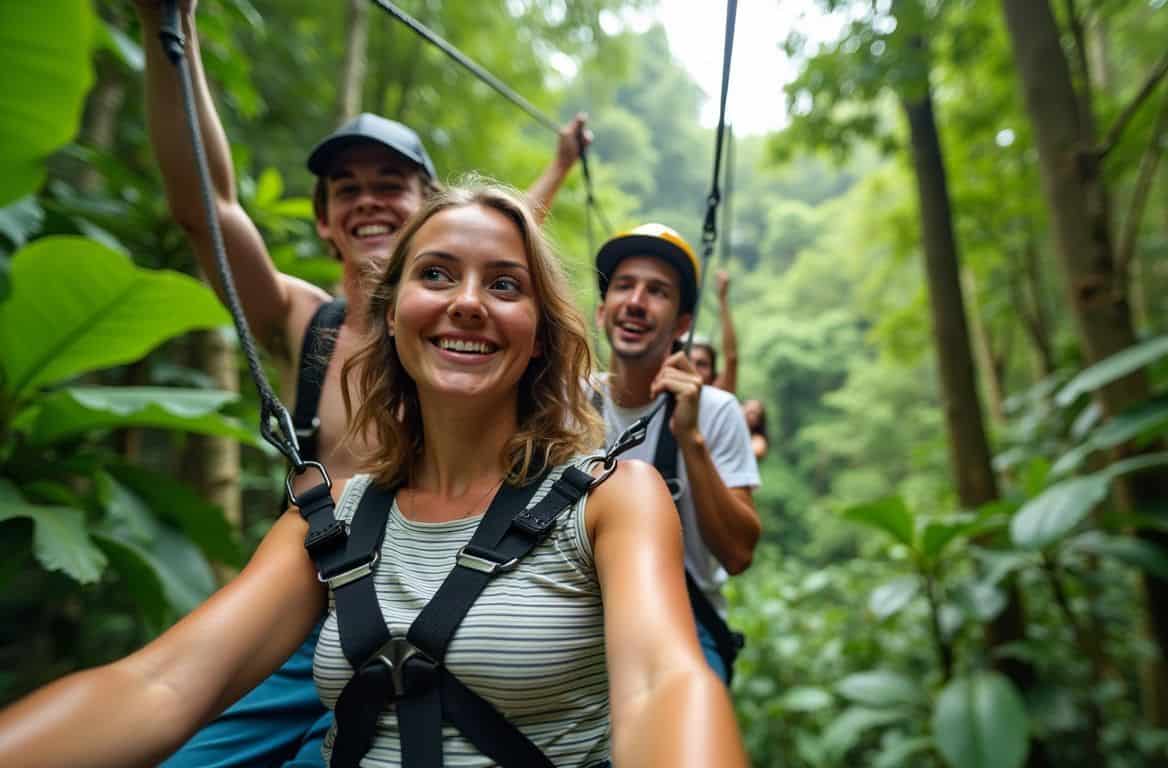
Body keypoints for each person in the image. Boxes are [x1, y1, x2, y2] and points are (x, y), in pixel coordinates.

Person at [0, 184, 748, 768]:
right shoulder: (330, 520)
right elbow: (159, 685)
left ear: (541, 335)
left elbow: (659, 687)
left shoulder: (611, 499)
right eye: (436, 274)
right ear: (391, 316)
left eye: (506, 286)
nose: (466, 302)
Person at [132, 2, 591, 764]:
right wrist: (165, 26)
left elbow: (512, 244)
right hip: (308, 611)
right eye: (346, 189)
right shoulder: (303, 321)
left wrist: (559, 166)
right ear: (324, 222)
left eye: (392, 184)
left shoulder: (466, 334)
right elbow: (204, 210)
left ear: (427, 211)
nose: (369, 200)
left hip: (462, 610)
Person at [591, 224, 762, 684]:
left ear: (682, 325)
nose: (636, 301)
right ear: (601, 312)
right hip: (581, 615)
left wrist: (690, 437)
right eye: (624, 286)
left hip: (683, 621)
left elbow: (739, 554)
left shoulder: (715, 410)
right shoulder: (566, 405)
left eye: (657, 291)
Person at [687, 271, 738, 393]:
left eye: (702, 364)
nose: (693, 369)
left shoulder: (717, 400)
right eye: (688, 361)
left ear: (713, 376)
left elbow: (731, 358)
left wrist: (723, 299)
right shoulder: (661, 396)